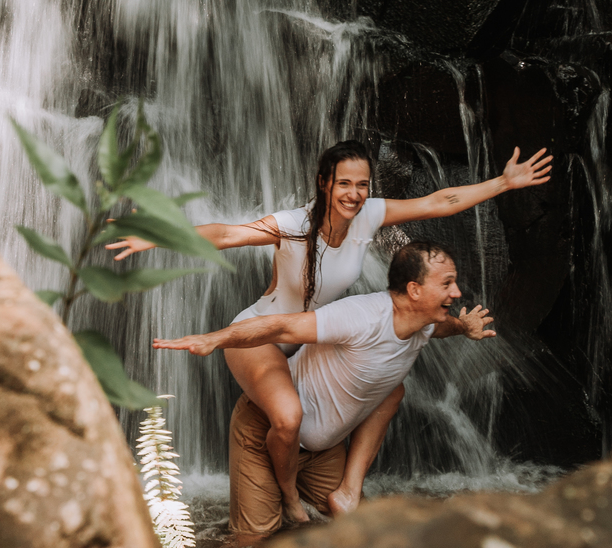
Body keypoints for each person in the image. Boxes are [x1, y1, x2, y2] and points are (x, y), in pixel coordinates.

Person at [111, 136, 550, 523]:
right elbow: (226, 234)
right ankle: (287, 498)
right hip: (260, 334)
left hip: (310, 337)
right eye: (344, 183)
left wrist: (503, 183)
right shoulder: (295, 226)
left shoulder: (370, 216)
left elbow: (440, 202)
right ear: (325, 182)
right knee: (288, 417)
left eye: (362, 184)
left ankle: (342, 489)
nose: (354, 194)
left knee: (390, 386)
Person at [154, 240, 494, 547]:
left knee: (357, 531)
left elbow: (442, 328)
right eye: (447, 283)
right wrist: (217, 338)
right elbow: (281, 326)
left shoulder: (423, 322)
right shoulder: (360, 316)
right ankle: (286, 496)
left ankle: (349, 492)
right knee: (250, 544)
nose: (457, 293)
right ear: (414, 290)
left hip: (323, 449)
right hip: (268, 432)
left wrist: (464, 327)